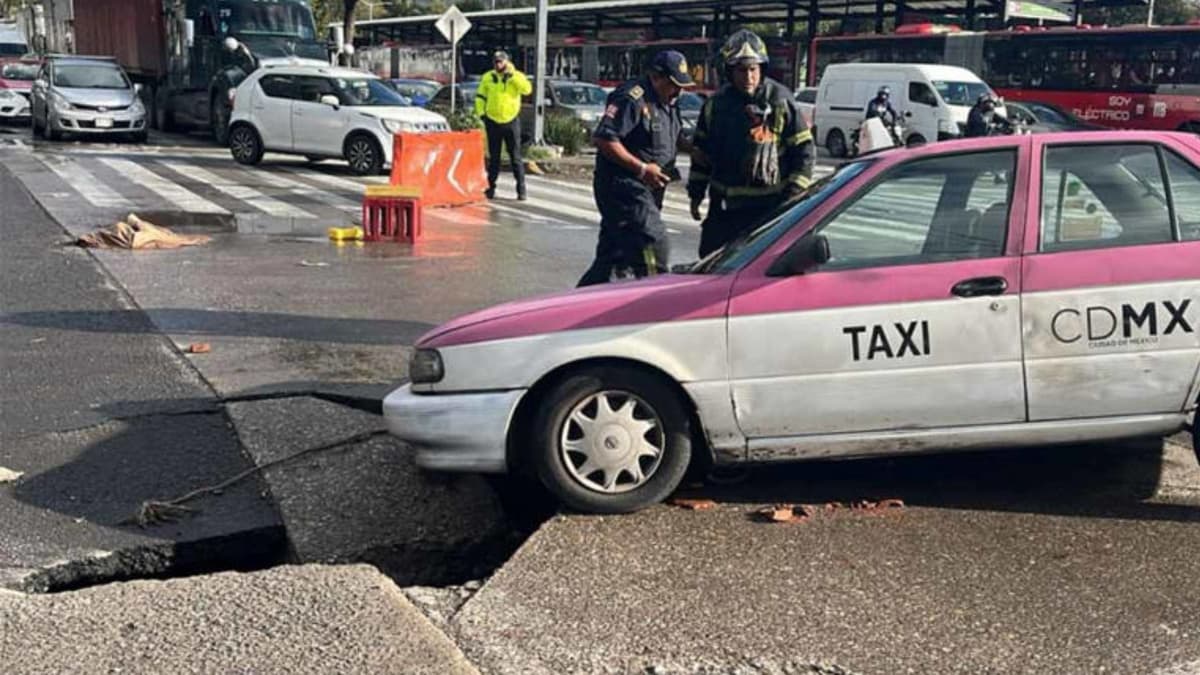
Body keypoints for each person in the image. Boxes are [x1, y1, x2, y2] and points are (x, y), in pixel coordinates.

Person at [687, 29, 815, 258]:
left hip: (768, 210)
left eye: (753, 69)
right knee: (710, 264)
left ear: (762, 69)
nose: (748, 77)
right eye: (741, 70)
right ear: (729, 71)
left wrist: (793, 196)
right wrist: (696, 194)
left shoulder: (780, 101)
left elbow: (804, 152)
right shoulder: (715, 106)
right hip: (724, 210)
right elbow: (701, 154)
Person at [576, 50, 693, 287]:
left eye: (682, 86)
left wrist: (698, 149)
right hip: (624, 188)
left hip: (648, 191)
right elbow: (605, 139)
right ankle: (653, 294)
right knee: (652, 240)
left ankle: (575, 309)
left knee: (612, 258)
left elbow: (673, 135)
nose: (679, 92)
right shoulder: (632, 97)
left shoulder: (669, 101)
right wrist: (641, 169)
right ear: (656, 77)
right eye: (673, 85)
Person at [474, 50, 532, 201]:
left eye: (501, 61)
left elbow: (527, 89)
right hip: (492, 121)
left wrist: (512, 77)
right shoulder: (488, 77)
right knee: (494, 158)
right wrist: (482, 114)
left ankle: (521, 189)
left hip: (511, 120)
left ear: (506, 62)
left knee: (515, 157)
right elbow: (480, 97)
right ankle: (490, 188)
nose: (498, 64)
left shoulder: (517, 76)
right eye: (496, 62)